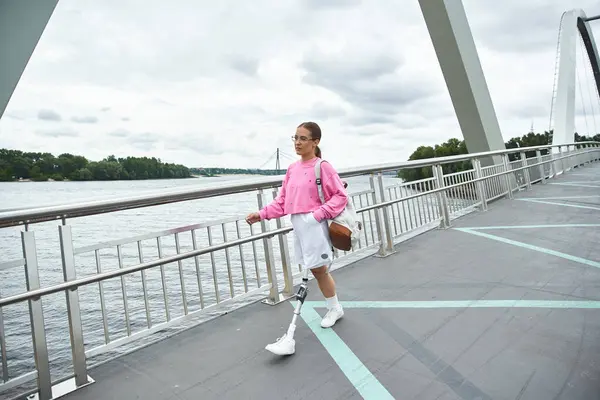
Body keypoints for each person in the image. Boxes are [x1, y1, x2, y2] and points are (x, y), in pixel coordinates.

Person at [245, 121, 348, 354]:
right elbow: (283, 202)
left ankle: (331, 310)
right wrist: (261, 214)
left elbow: (340, 197)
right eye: (295, 138)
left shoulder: (323, 167)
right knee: (316, 270)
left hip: (316, 224)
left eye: (303, 138)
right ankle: (335, 308)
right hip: (299, 225)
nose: (298, 143)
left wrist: (317, 215)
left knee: (318, 270)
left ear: (315, 142)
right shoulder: (292, 169)